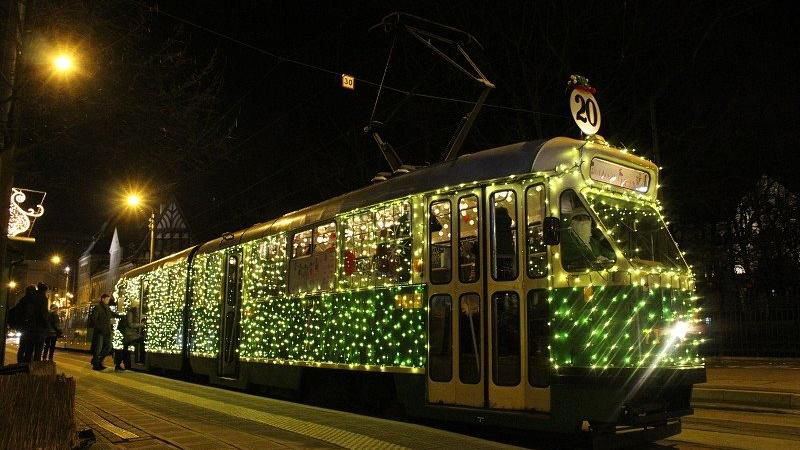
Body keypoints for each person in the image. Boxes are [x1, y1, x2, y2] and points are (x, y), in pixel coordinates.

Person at [88, 293, 117, 370]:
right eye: (107, 299)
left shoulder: (107, 308)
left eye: (108, 299)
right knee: (98, 348)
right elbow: (93, 320)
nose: (108, 301)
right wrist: (99, 328)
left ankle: (97, 361)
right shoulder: (97, 308)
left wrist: (123, 316)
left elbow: (113, 314)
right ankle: (96, 365)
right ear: (102, 299)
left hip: (107, 331)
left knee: (109, 346)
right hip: (100, 332)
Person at [114, 303, 143, 371]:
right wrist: (141, 325)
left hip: (129, 334)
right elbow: (130, 324)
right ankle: (122, 364)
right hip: (129, 334)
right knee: (126, 349)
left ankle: (121, 364)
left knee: (125, 349)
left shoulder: (133, 312)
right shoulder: (130, 312)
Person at [15, 286, 40, 363]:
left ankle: (20, 363)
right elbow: (31, 314)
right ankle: (26, 364)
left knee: (22, 347)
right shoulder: (31, 301)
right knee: (29, 347)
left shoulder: (22, 300)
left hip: (23, 327)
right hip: (29, 328)